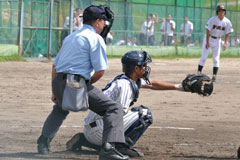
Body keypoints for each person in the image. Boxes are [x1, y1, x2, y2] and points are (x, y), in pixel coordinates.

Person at [37, 5, 130, 160]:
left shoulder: (71, 37)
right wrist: (85, 85)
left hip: (58, 81)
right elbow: (100, 71)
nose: (104, 25)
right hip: (75, 84)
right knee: (113, 108)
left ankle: (43, 142)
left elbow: (55, 66)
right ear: (98, 22)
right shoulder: (95, 39)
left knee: (60, 108)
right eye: (103, 21)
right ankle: (108, 149)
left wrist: (55, 90)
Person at [65, 50, 186, 158]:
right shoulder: (126, 86)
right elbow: (116, 117)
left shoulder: (125, 79)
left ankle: (84, 140)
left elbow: (152, 84)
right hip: (99, 130)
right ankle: (120, 147)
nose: (146, 68)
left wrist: (179, 87)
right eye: (143, 65)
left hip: (92, 128)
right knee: (144, 115)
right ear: (136, 69)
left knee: (134, 113)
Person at [197, 4, 233, 82]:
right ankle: (199, 72)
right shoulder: (212, 20)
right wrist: (207, 42)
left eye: (223, 11)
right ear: (217, 12)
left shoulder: (227, 22)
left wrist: (225, 43)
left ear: (225, 12)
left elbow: (227, 33)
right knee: (204, 57)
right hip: (209, 38)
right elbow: (208, 31)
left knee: (216, 59)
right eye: (220, 11)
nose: (221, 12)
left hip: (218, 41)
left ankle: (214, 75)